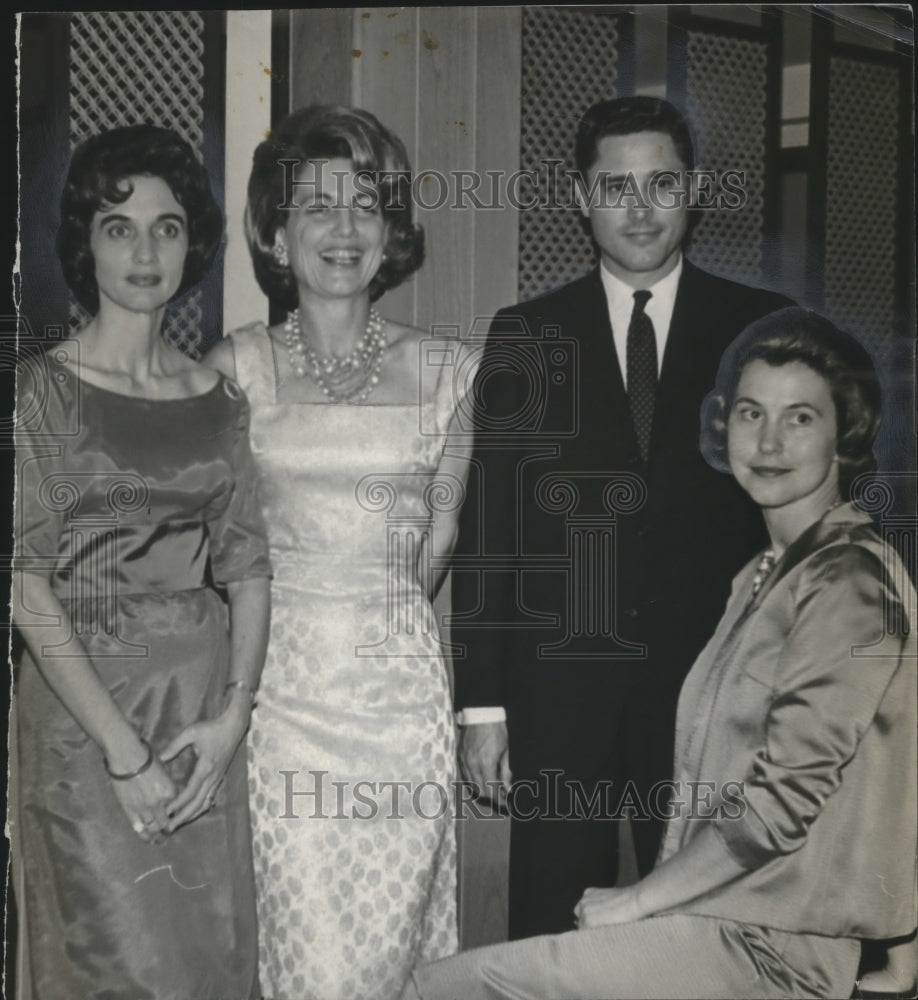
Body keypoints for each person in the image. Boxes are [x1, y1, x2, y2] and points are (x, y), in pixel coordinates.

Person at [407, 306, 917, 999]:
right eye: (749, 413)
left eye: (801, 417)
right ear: (722, 426)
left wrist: (639, 901)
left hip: (770, 945)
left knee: (441, 989)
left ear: (844, 436)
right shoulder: (769, 572)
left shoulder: (847, 580)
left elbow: (781, 804)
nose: (768, 440)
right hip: (721, 917)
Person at [451, 95, 793, 939]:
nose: (639, 209)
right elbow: (491, 530)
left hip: (713, 688)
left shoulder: (761, 329)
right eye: (616, 186)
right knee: (548, 930)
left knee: (714, 924)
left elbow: (799, 516)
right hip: (559, 689)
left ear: (694, 190)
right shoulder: (528, 334)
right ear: (581, 198)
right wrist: (483, 709)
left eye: (661, 183)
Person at [205, 104, 478, 1000]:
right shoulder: (232, 370)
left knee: (393, 950)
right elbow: (218, 551)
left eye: (366, 203)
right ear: (276, 235)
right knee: (308, 954)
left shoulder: (449, 372)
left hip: (401, 713)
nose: (345, 227)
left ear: (392, 229)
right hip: (281, 705)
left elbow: (436, 548)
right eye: (316, 206)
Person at [11, 125, 271, 999]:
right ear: (85, 245)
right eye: (118, 227)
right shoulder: (42, 389)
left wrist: (233, 719)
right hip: (87, 724)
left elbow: (248, 570)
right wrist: (122, 754)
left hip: (200, 719)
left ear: (191, 241)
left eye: (166, 227)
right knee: (109, 960)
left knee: (205, 957)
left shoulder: (218, 399)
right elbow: (24, 581)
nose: (145, 250)